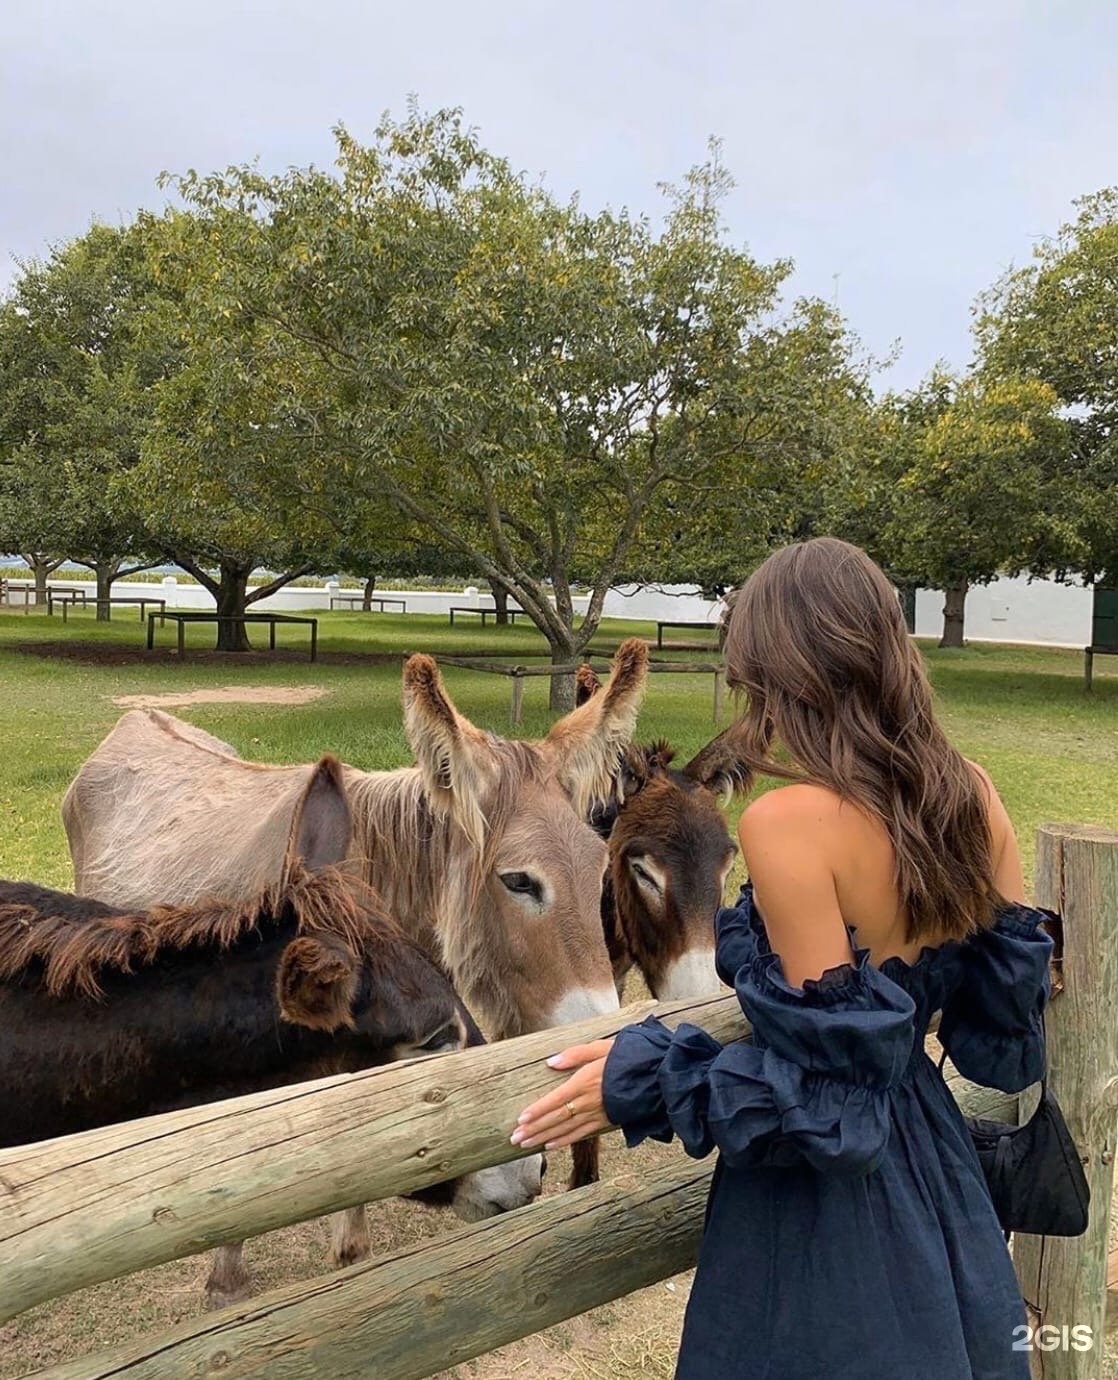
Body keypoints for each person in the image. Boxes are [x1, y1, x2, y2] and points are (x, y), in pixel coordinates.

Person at [512, 537, 1052, 1380]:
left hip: (823, 1225)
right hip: (942, 1181)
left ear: (779, 668)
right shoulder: (972, 794)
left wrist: (645, 1079)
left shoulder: (789, 824)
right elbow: (1001, 1024)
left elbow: (834, 1106)